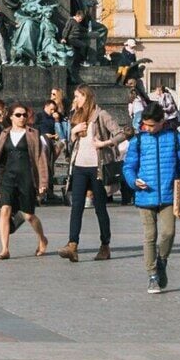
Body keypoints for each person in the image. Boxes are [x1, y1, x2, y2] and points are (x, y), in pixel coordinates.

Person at [125, 98, 180, 294]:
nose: (148, 128)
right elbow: (129, 166)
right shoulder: (138, 140)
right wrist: (134, 180)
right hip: (145, 194)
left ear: (162, 121)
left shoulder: (175, 138)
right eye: (145, 124)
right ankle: (152, 275)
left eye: (152, 125)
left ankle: (162, 260)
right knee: (150, 235)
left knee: (168, 232)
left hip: (169, 194)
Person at [0, 103, 53, 259]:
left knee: (28, 215)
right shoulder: (4, 133)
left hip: (26, 177)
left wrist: (43, 182)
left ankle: (42, 239)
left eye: (24, 115)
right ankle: (5, 249)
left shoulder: (32, 133)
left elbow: (40, 159)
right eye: (18, 115)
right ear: (11, 117)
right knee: (4, 211)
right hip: (8, 177)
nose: (22, 118)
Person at [60, 93, 119, 262]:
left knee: (100, 207)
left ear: (87, 97)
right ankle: (72, 245)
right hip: (79, 166)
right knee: (76, 206)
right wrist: (73, 132)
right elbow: (71, 147)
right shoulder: (77, 116)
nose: (75, 99)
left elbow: (121, 133)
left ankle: (105, 245)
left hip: (97, 168)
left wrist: (104, 144)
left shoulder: (101, 115)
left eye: (78, 96)